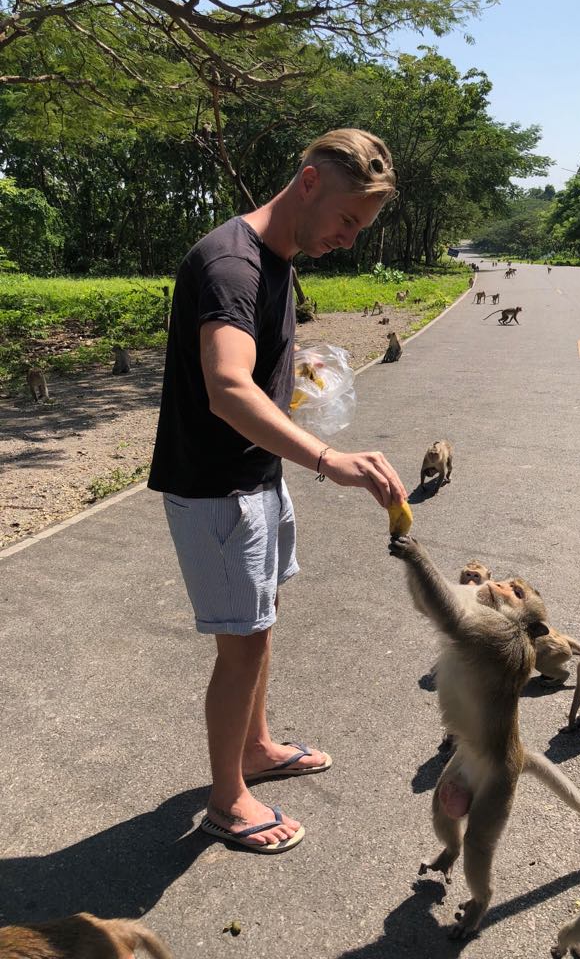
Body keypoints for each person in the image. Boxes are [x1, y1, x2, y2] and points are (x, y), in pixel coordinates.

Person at [148, 129, 407, 854]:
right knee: (241, 648)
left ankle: (256, 747)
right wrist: (329, 457)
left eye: (361, 229)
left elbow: (253, 375)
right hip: (217, 490)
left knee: (259, 628)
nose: (348, 240)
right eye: (348, 222)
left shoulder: (276, 260)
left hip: (256, 475)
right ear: (309, 182)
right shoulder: (232, 263)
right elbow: (227, 387)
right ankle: (228, 801)